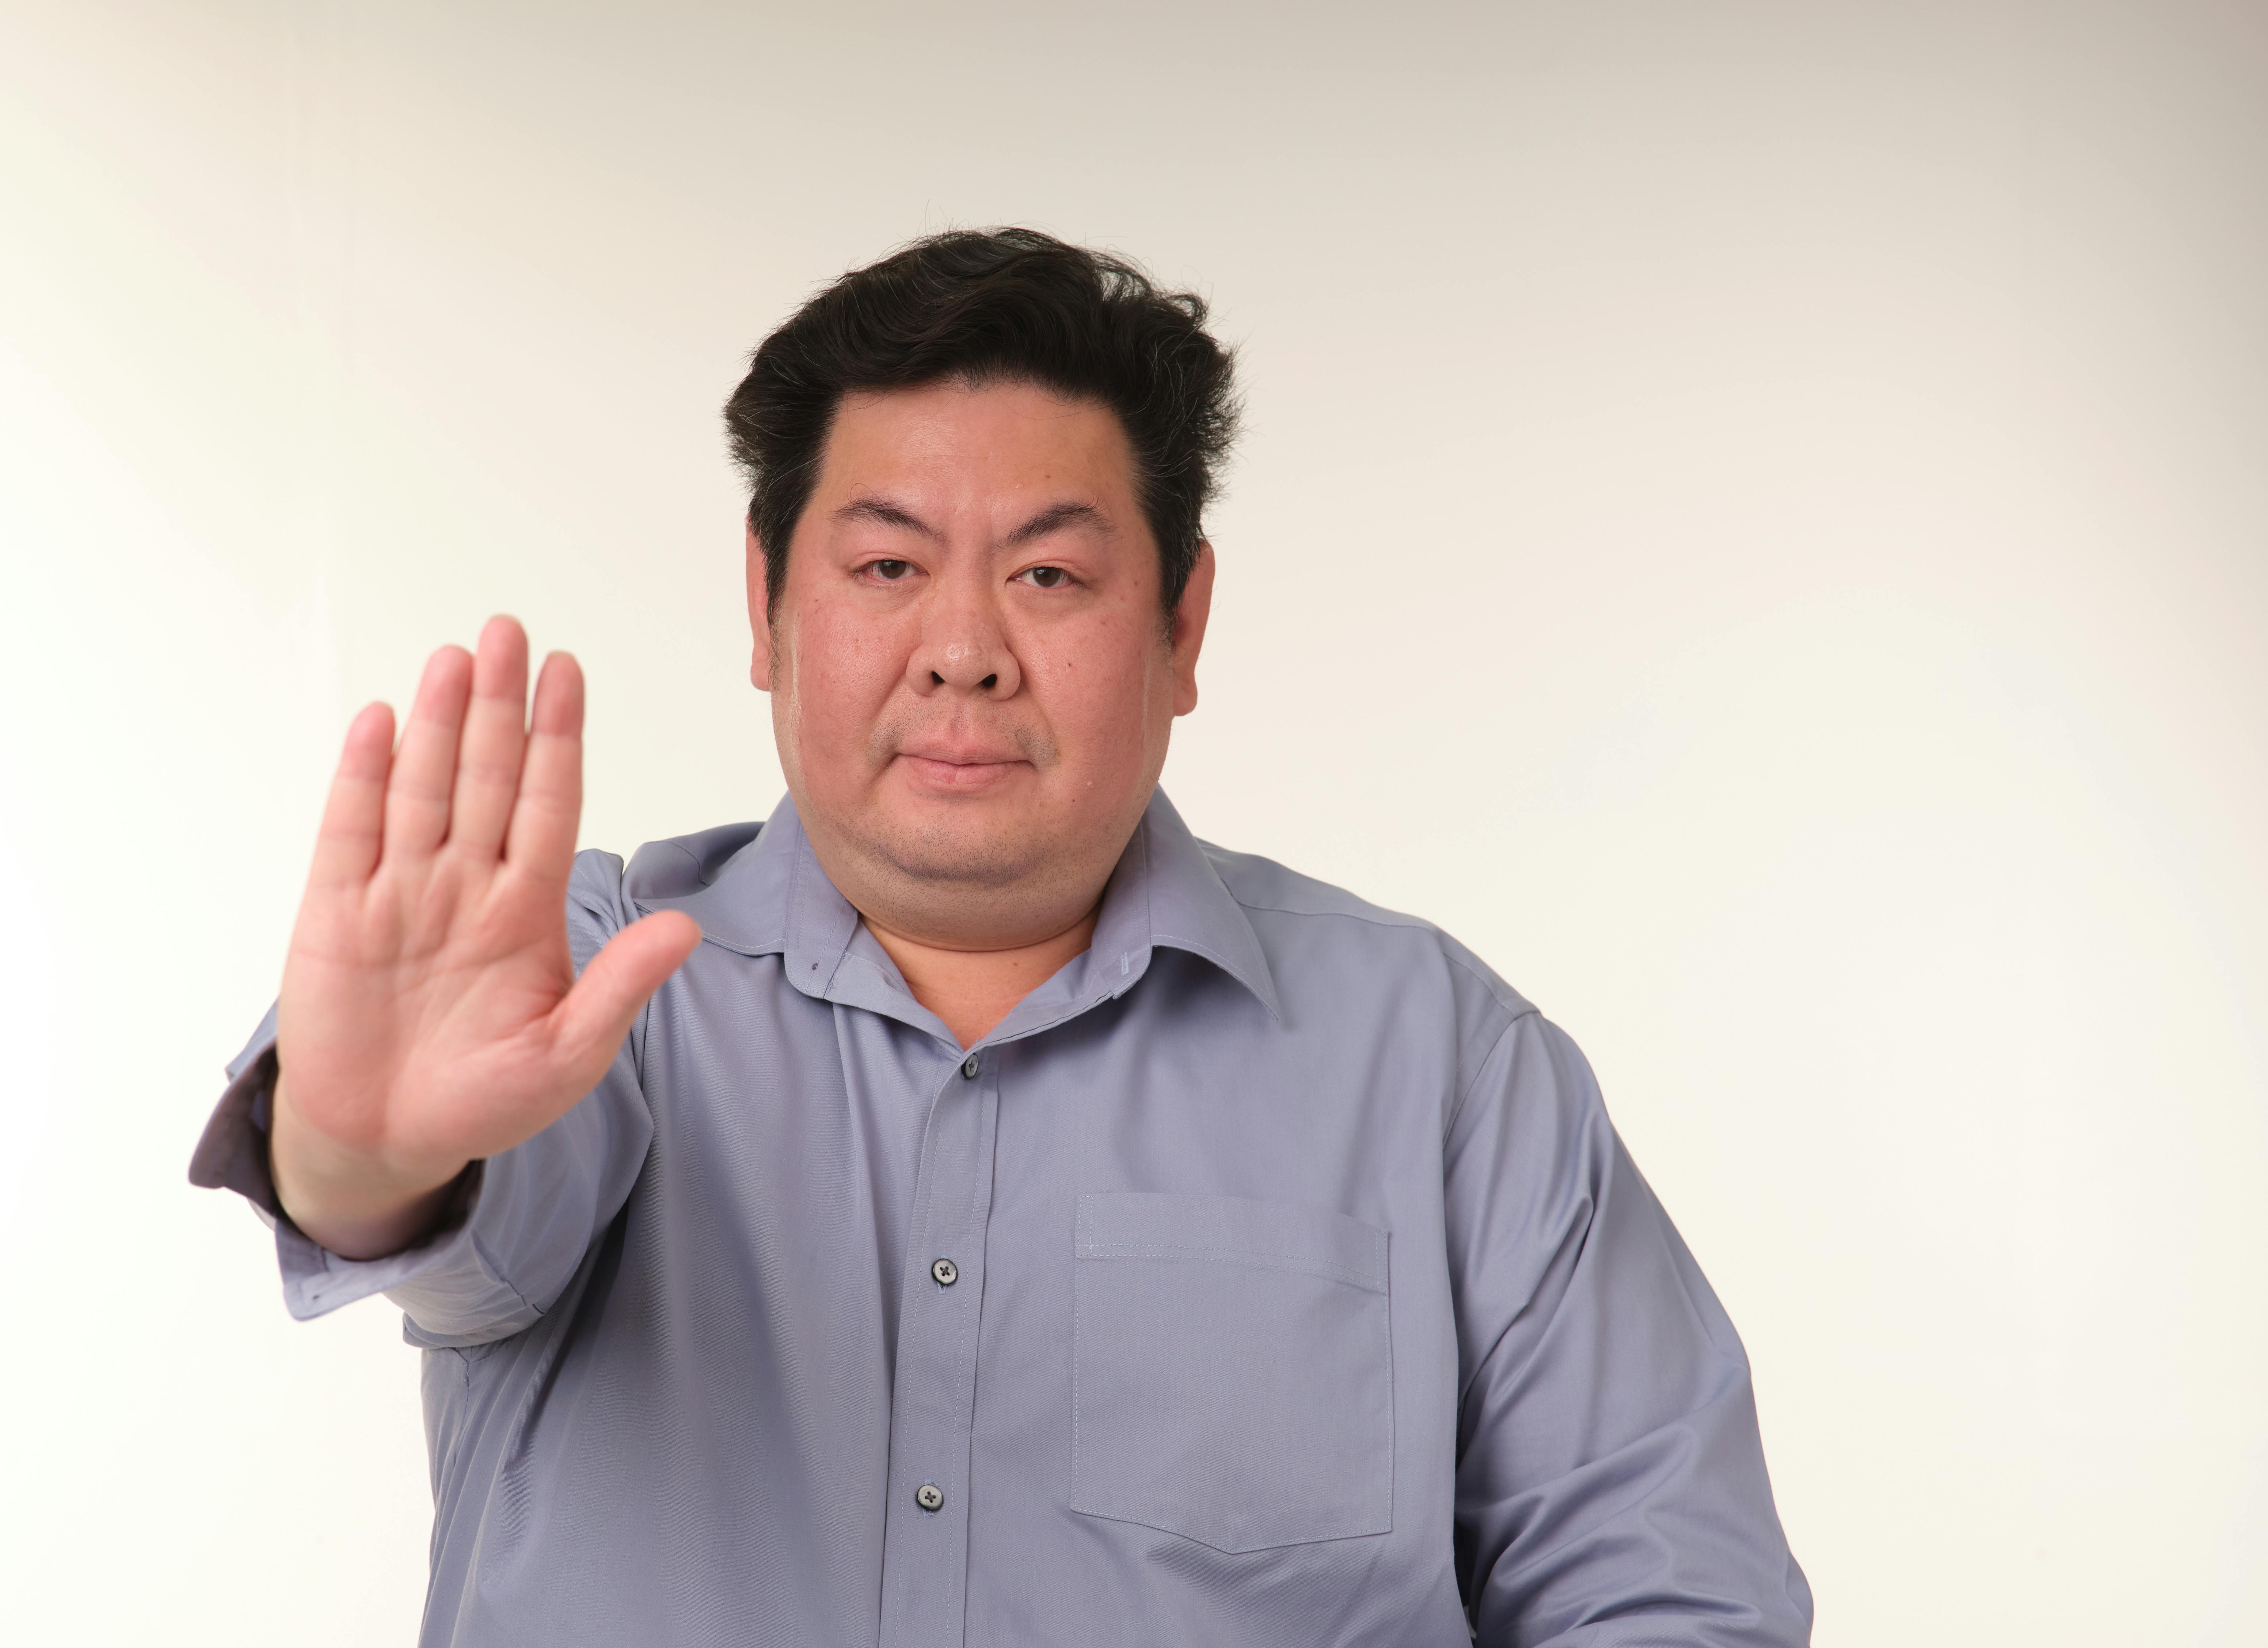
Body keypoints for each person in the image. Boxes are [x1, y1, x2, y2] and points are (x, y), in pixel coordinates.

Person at [193, 228, 1812, 1647]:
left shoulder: (1445, 1066)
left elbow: (1669, 1599)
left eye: (1049, 572)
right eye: (887, 565)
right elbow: (461, 1211)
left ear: (1184, 624)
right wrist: (359, 1155)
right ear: (763, 607)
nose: (962, 650)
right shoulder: (593, 982)